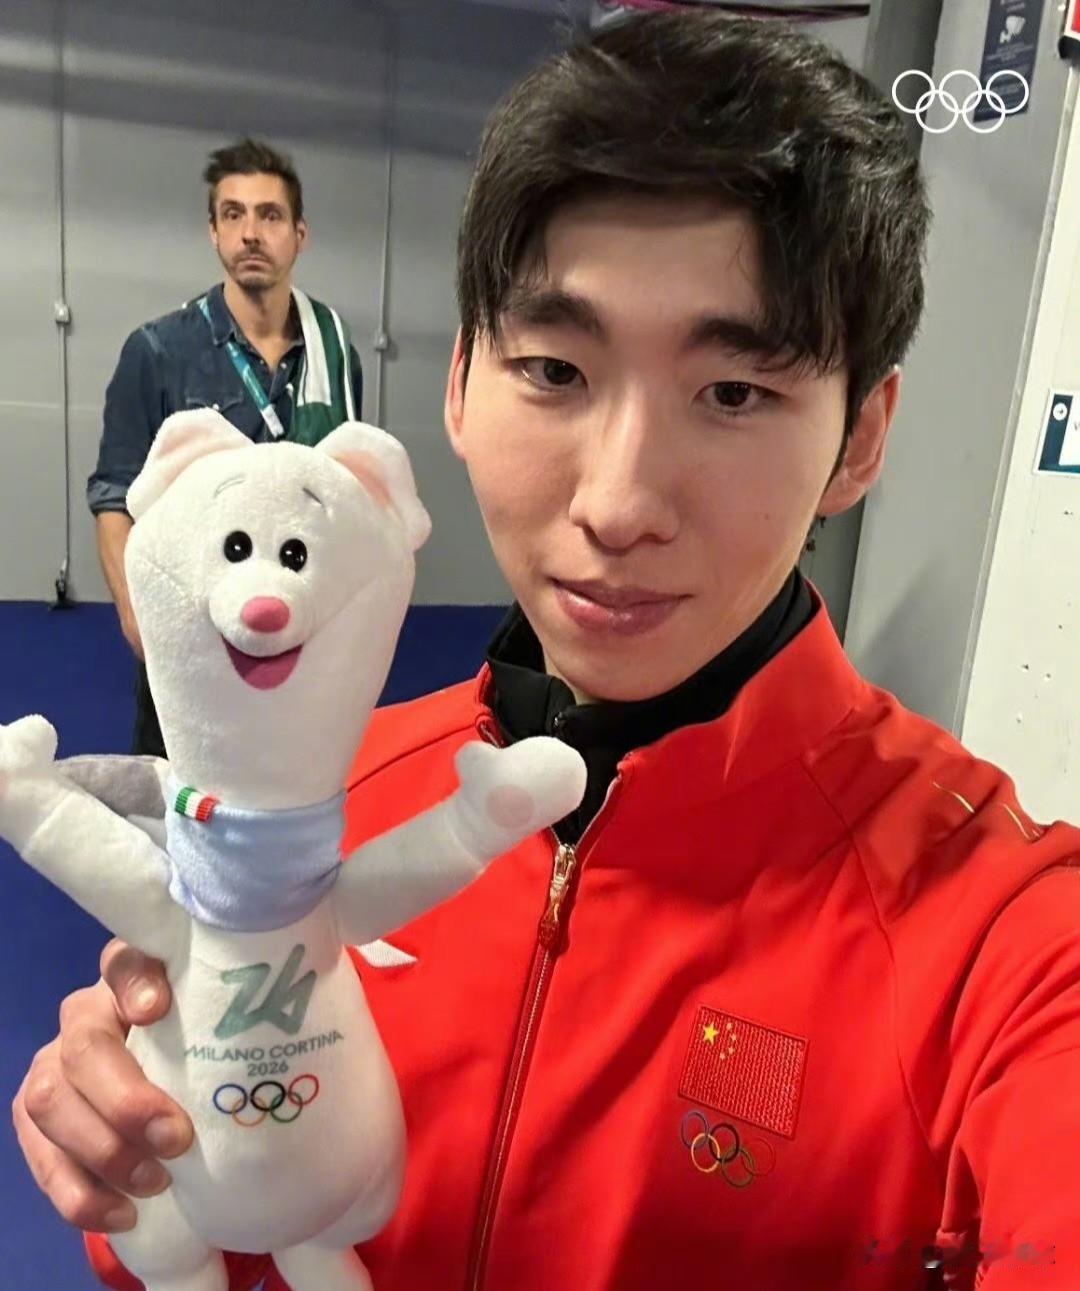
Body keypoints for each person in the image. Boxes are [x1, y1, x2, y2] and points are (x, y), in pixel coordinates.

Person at [14, 12, 1080, 1290]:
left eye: (735, 392)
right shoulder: (325, 808)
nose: (620, 504)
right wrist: (141, 1153)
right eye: (556, 370)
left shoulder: (998, 937)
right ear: (461, 384)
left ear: (860, 439)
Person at [87, 138, 365, 758]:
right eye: (233, 214)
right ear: (213, 231)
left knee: (295, 789)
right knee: (178, 795)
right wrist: (141, 618)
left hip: (299, 627)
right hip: (196, 628)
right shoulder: (158, 352)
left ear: (299, 234)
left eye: (270, 215)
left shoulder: (334, 353)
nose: (251, 233)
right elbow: (114, 497)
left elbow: (342, 495)